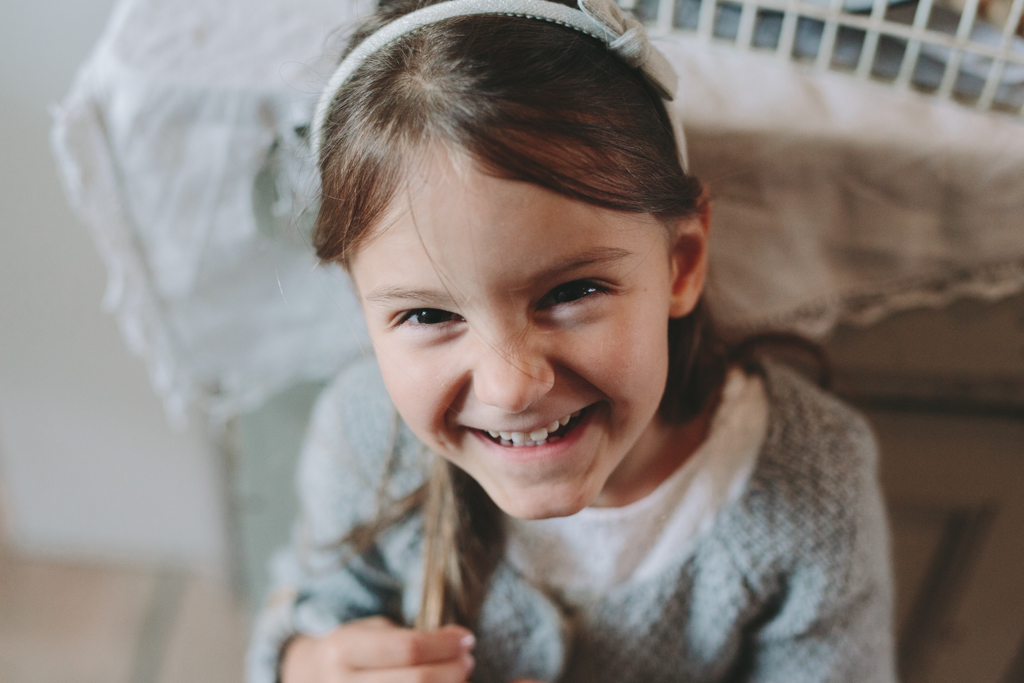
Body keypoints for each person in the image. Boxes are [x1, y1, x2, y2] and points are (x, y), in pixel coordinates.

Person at [247, 0, 897, 680]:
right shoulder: (363, 435)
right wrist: (307, 665)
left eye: (569, 293)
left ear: (681, 262)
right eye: (427, 316)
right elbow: (307, 609)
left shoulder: (814, 491)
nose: (508, 387)